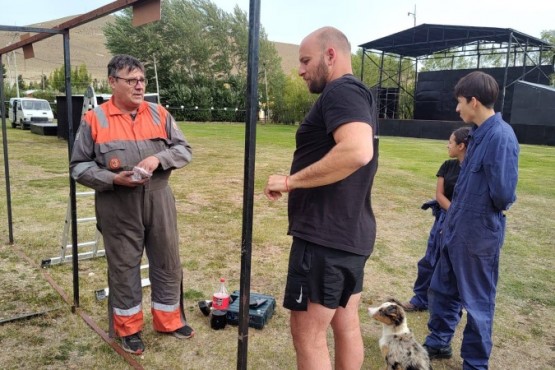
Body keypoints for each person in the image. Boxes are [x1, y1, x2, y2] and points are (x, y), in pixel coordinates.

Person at [264, 27, 378, 370]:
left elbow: (358, 150)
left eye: (305, 60)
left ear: (331, 55)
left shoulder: (341, 90)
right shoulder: (357, 94)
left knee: (309, 336)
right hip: (349, 234)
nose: (300, 69)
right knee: (346, 325)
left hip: (324, 237)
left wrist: (291, 181)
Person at [70, 54, 194, 355]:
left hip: (159, 197)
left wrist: (158, 158)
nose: (139, 86)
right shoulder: (94, 119)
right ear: (112, 82)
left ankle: (169, 320)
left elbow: (183, 149)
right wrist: (113, 179)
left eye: (142, 80)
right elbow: (78, 167)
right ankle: (129, 329)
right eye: (132, 80)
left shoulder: (159, 113)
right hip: (118, 203)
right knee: (125, 266)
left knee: (167, 259)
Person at [423, 71, 519, 369]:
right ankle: (438, 343)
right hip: (456, 229)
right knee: (442, 289)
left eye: (460, 102)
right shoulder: (477, 135)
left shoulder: (500, 137)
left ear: (474, 102)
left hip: (478, 236)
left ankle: (475, 363)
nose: (457, 108)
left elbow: (503, 195)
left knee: (477, 302)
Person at [403, 126, 470, 312]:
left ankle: (448, 306)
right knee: (430, 259)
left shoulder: (474, 171)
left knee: (452, 265)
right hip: (444, 219)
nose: (447, 145)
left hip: (464, 225)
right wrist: (453, 213)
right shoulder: (447, 166)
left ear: (461, 146)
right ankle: (420, 300)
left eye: (450, 142)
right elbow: (440, 195)